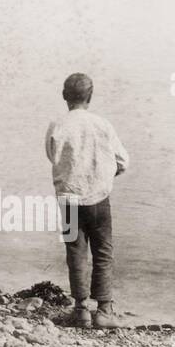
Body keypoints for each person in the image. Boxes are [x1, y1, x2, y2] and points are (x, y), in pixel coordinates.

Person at [45, 73, 129, 329]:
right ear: (90, 97)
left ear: (64, 96)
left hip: (68, 197)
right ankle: (104, 310)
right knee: (103, 252)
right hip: (98, 197)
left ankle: (81, 309)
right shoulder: (102, 124)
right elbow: (123, 161)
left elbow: (52, 156)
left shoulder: (57, 125)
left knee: (75, 251)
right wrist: (106, 173)